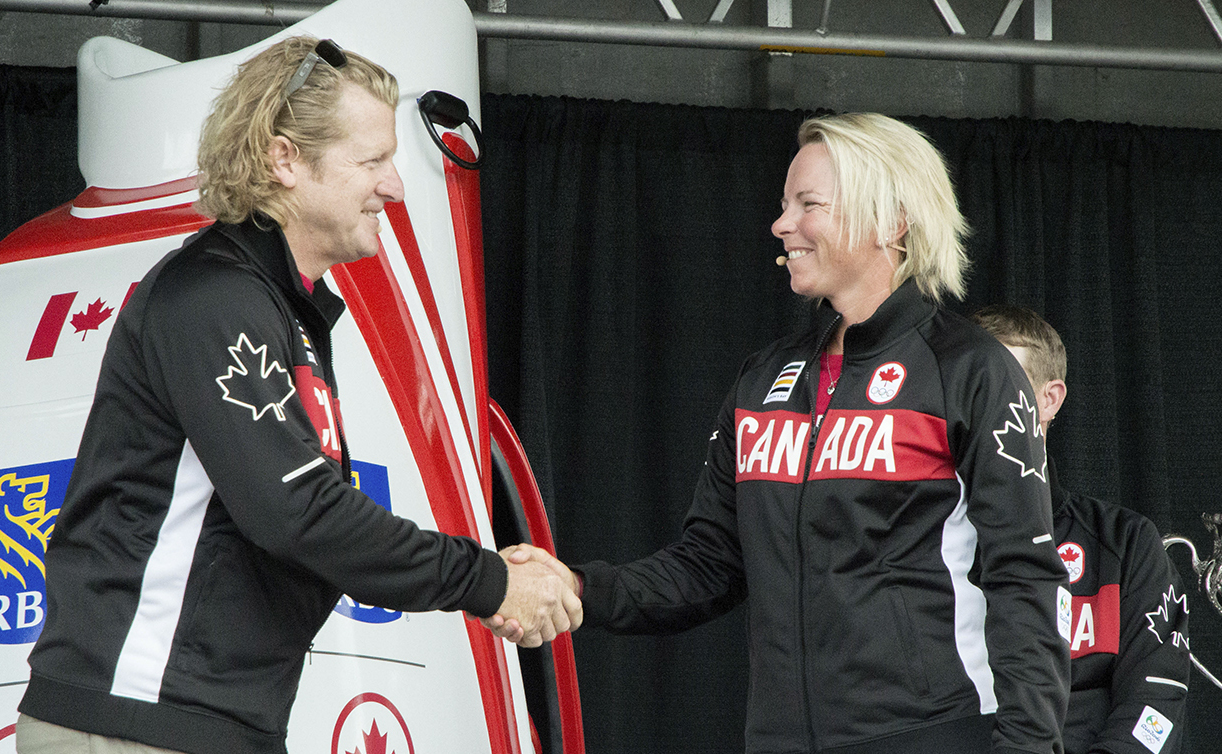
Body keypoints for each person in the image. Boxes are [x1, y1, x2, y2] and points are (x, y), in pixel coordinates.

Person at [15, 36, 578, 754]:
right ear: (285, 160)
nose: (395, 187)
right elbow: (299, 515)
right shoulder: (213, 298)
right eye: (372, 161)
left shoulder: (279, 307)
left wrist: (495, 579)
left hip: (201, 722)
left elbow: (308, 526)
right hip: (132, 720)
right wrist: (490, 581)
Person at [500, 113, 1071, 753]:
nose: (781, 224)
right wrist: (578, 587)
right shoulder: (765, 376)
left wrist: (1028, 745)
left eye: (808, 204)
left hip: (929, 733)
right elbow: (707, 565)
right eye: (783, 204)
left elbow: (1025, 578)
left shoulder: (971, 370)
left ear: (891, 221)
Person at [973, 305, 1190, 754]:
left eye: (997, 388)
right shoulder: (918, 539)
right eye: (964, 390)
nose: (976, 407)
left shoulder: (1124, 543)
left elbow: (1156, 703)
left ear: (1049, 399)